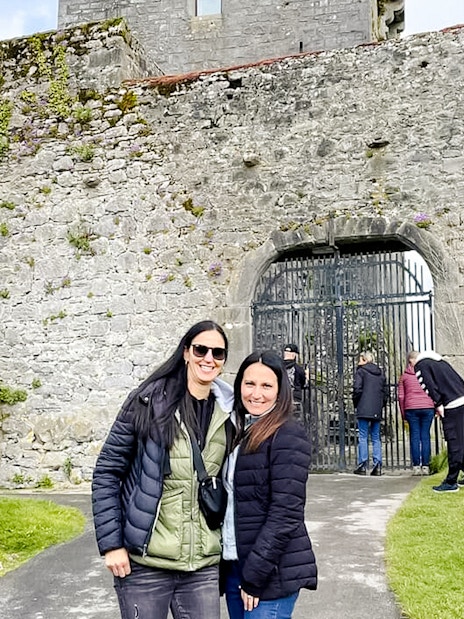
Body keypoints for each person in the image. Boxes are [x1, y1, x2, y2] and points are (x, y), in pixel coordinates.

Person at [91, 320, 235, 619]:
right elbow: (107, 471)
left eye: (218, 353)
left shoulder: (229, 412)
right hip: (146, 563)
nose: (208, 358)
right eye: (201, 349)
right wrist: (112, 544)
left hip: (202, 565)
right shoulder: (148, 401)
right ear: (185, 352)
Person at [221, 350, 317, 619]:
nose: (256, 393)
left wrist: (255, 575)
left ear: (280, 391)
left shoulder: (287, 435)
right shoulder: (238, 430)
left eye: (266, 386)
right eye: (249, 384)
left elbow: (286, 514)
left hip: (269, 572)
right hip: (236, 566)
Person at [414, 350, 464, 493]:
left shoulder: (421, 365)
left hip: (452, 404)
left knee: (454, 443)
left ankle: (451, 482)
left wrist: (438, 404)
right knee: (461, 441)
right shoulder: (441, 363)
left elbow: (428, 386)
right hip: (461, 398)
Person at [398, 350, 435, 476]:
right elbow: (433, 390)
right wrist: (434, 405)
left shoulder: (404, 376)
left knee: (414, 436)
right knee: (425, 436)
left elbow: (401, 396)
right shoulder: (426, 374)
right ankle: (426, 465)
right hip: (427, 407)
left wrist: (403, 412)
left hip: (411, 408)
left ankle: (416, 466)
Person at [352, 351, 388, 476]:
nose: (358, 362)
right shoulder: (380, 373)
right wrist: (380, 405)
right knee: (376, 437)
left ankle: (362, 465)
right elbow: (385, 392)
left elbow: (357, 389)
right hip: (376, 409)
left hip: (363, 407)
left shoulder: (360, 372)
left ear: (364, 360)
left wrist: (356, 402)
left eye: (359, 359)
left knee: (362, 436)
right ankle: (377, 465)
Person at [283, 343, 307, 418]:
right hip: (294, 398)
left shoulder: (278, 367)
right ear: (295, 355)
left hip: (281, 398)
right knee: (294, 421)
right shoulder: (298, 369)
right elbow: (303, 384)